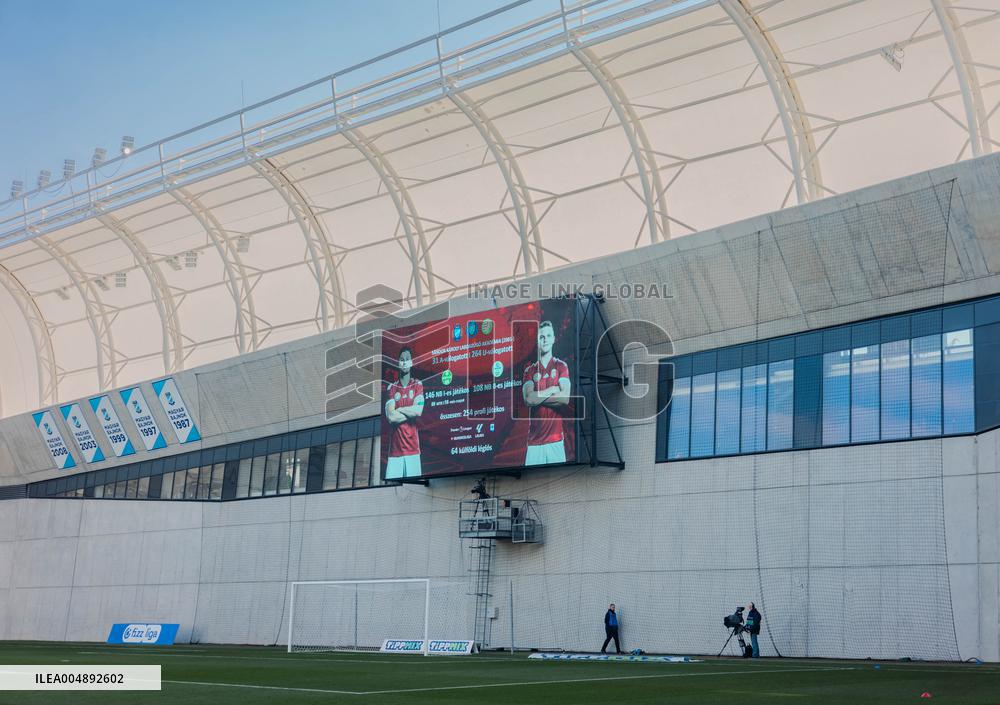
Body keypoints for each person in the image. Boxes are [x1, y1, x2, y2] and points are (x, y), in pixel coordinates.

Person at [522, 320, 571, 466]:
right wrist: (552, 390)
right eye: (542, 337)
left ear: (554, 339)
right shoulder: (529, 370)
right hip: (534, 444)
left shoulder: (561, 366)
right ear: (537, 340)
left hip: (555, 441)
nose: (545, 340)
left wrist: (538, 396)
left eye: (548, 336)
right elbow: (529, 400)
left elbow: (565, 398)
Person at [384, 347, 424, 478]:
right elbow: (391, 417)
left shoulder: (418, 384)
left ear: (411, 362)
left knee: (416, 490)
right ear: (398, 362)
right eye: (402, 359)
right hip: (395, 453)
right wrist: (408, 411)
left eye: (407, 359)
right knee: (390, 491)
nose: (404, 362)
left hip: (413, 451)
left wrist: (399, 410)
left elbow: (418, 411)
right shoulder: (392, 388)